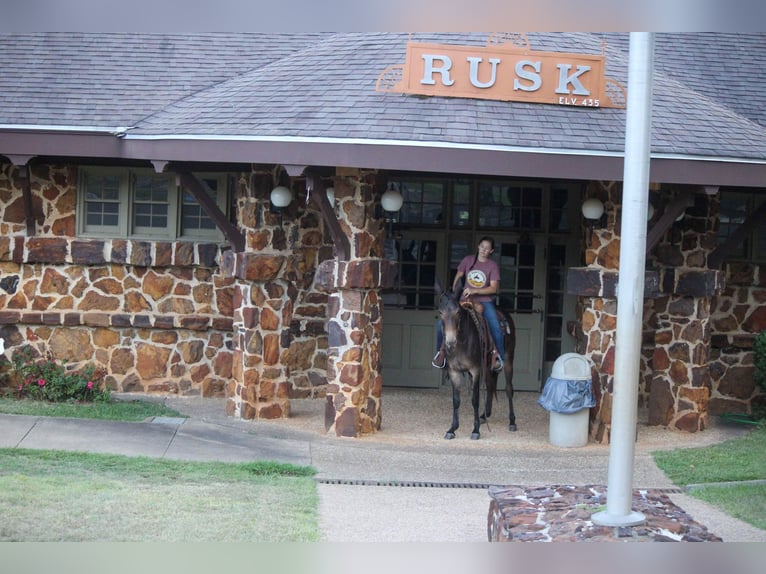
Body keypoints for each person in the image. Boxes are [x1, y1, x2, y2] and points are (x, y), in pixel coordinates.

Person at [432, 236, 504, 372]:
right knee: (441, 323)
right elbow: (458, 277)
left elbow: (493, 288)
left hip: (484, 301)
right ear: (478, 246)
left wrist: (475, 290)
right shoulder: (468, 260)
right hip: (463, 299)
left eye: (487, 248)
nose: (483, 250)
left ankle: (498, 356)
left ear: (491, 251)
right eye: (482, 246)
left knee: (495, 325)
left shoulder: (492, 266)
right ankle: (441, 354)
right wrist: (455, 293)